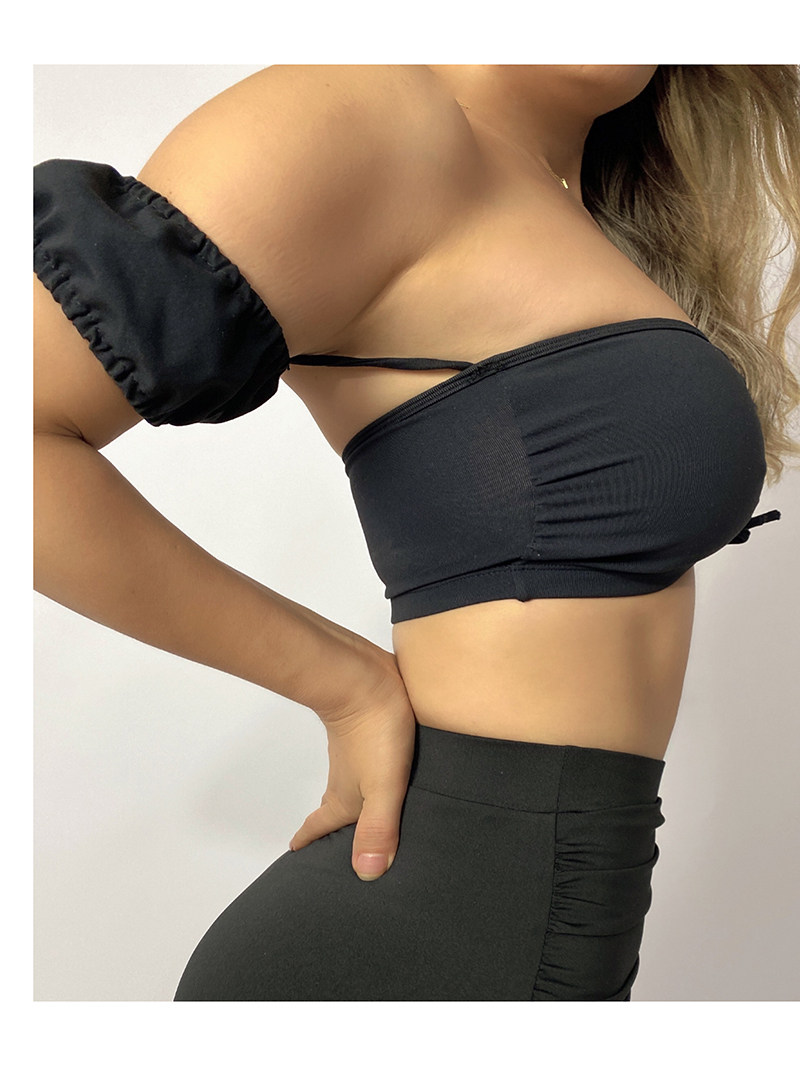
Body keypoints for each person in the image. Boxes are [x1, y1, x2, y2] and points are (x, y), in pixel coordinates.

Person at [33, 64, 798, 1000]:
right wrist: (347, 685)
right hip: (409, 936)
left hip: (563, 908)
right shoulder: (362, 120)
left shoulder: (575, 200)